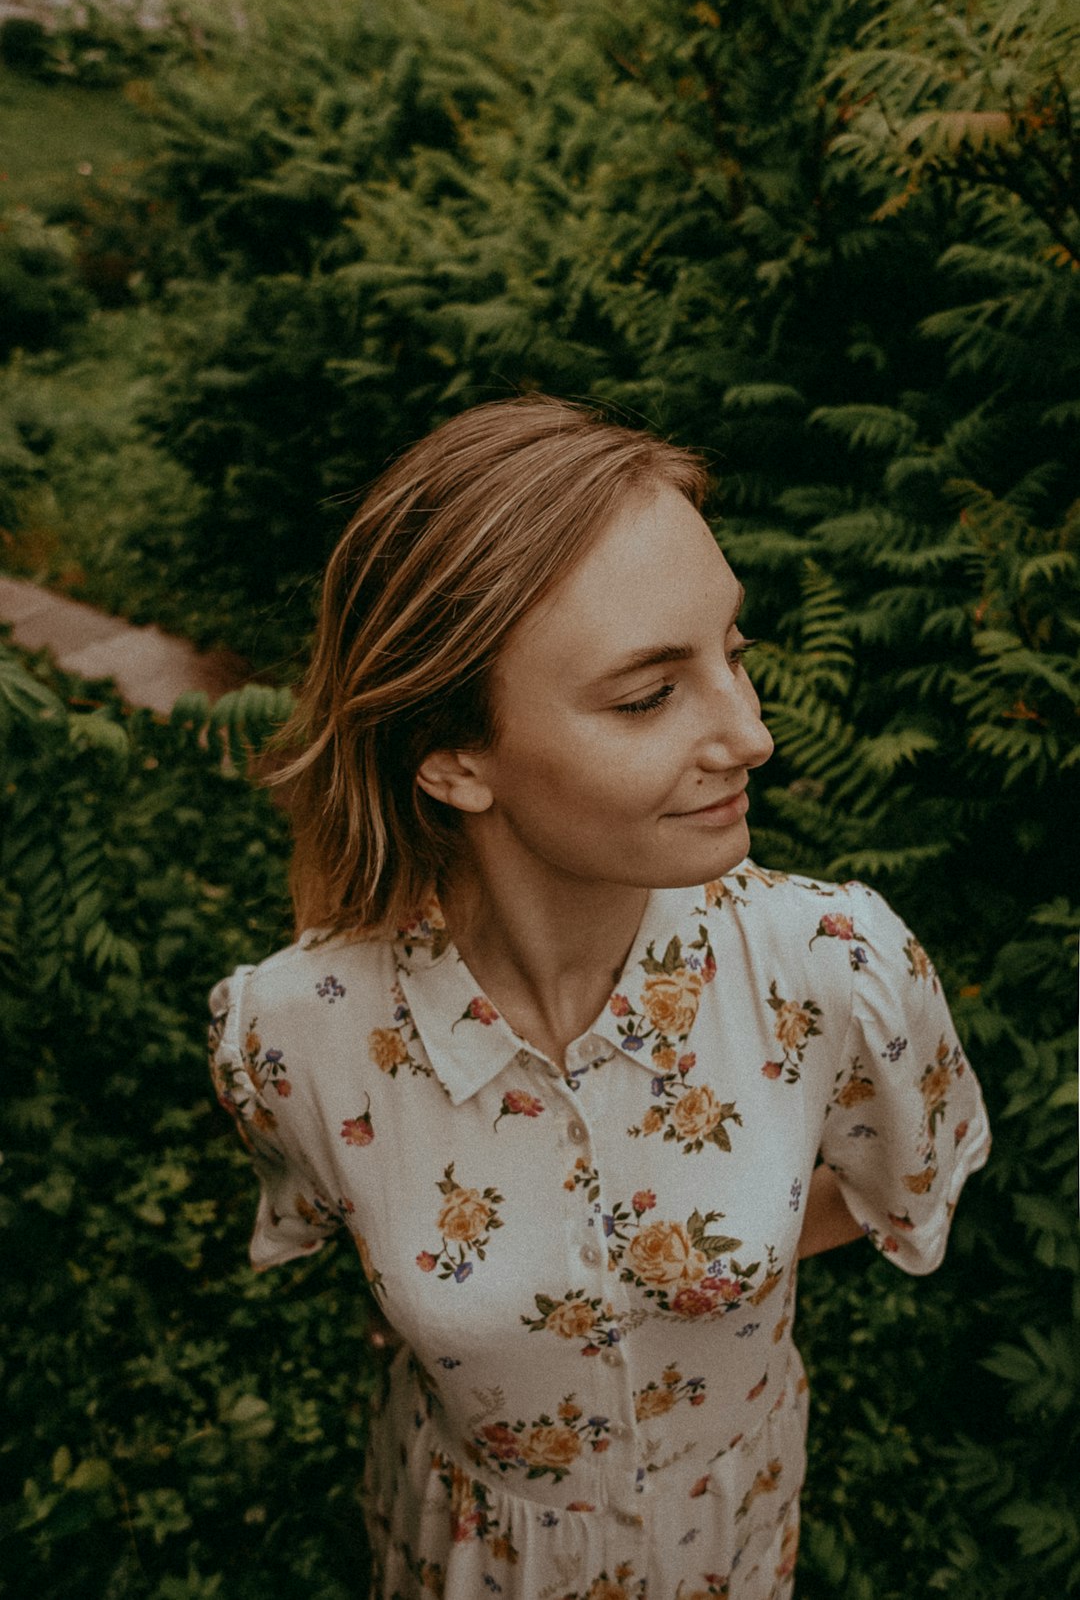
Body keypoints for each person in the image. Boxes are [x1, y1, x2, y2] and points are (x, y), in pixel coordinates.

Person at [207, 396, 990, 1600]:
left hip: (728, 1531)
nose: (752, 733)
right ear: (454, 756)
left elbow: (901, 1181)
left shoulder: (841, 971)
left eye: (734, 651)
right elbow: (336, 1214)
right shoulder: (292, 1036)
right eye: (646, 696)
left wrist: (731, 1236)